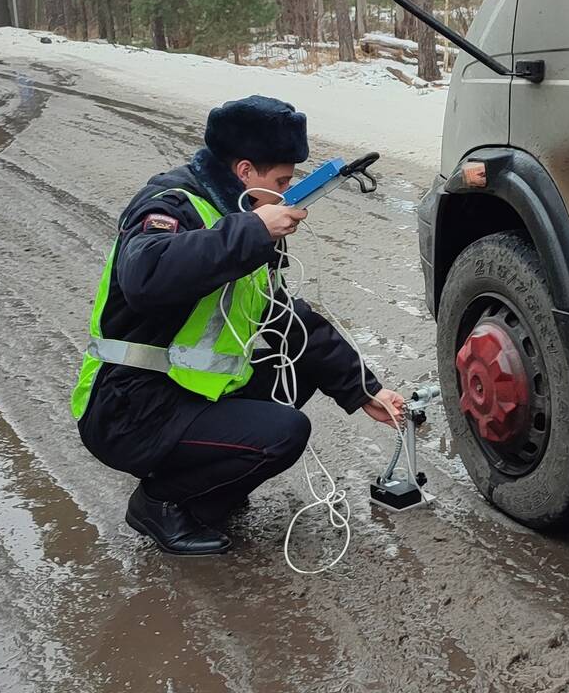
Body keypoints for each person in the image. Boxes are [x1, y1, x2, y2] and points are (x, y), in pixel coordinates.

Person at [70, 95, 405, 556]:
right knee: (284, 432)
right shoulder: (170, 205)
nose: (287, 195)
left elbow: (289, 320)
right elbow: (144, 278)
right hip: (129, 407)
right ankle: (161, 502)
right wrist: (252, 232)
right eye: (281, 182)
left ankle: (205, 486)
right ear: (244, 171)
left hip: (185, 394)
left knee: (298, 364)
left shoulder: (236, 217)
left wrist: (363, 390)